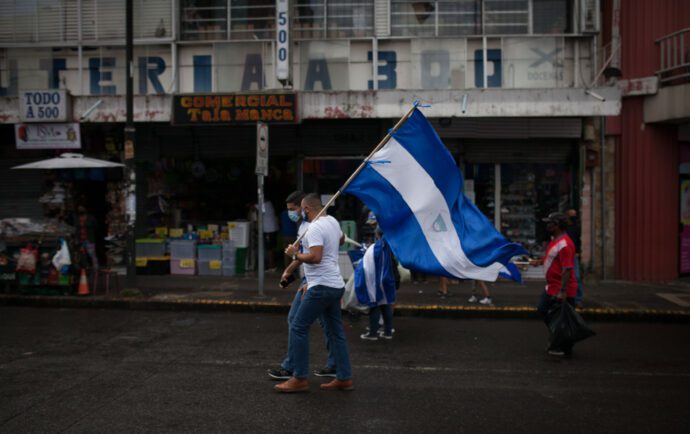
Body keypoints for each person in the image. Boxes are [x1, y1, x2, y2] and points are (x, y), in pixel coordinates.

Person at [276, 193, 353, 392]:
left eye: (300, 209)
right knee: (336, 333)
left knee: (298, 327)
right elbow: (342, 240)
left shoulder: (315, 227)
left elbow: (315, 257)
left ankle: (299, 377)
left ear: (307, 209)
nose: (299, 213)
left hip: (321, 287)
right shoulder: (333, 222)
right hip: (334, 285)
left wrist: (295, 254)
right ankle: (344, 377)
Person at [267, 191, 337, 381]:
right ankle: (335, 366)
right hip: (321, 280)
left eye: (293, 209)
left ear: (304, 207)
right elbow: (337, 240)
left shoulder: (311, 226)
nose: (291, 213)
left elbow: (313, 256)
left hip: (318, 281)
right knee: (328, 325)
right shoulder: (326, 221)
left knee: (296, 322)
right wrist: (289, 271)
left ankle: (293, 369)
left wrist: (308, 279)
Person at [532, 212, 578, 357]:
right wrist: (540, 261)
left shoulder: (565, 244)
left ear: (557, 225)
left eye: (550, 223)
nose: (547, 225)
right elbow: (553, 258)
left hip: (561, 288)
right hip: (552, 286)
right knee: (546, 311)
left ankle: (563, 345)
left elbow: (567, 268)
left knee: (562, 319)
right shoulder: (556, 240)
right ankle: (559, 339)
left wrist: (562, 291)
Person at [358, 225, 398, 341]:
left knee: (374, 305)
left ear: (377, 235)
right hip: (388, 280)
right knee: (386, 305)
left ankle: (372, 333)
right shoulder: (389, 245)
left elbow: (366, 267)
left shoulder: (376, 248)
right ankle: (387, 332)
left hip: (377, 282)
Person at [566, 209, 584, 306]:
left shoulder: (576, 227)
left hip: (573, 254)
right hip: (565, 254)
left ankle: (578, 299)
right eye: (572, 215)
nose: (574, 217)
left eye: (575, 215)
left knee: (576, 277)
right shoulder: (564, 228)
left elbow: (578, 241)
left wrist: (578, 252)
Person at [74, 205, 98, 270]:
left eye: (82, 209)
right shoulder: (76, 218)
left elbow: (95, 226)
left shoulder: (90, 218)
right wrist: (76, 238)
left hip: (89, 239)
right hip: (80, 240)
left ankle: (95, 267)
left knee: (92, 254)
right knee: (82, 255)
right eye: (79, 209)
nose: (80, 210)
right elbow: (76, 229)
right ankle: (85, 267)